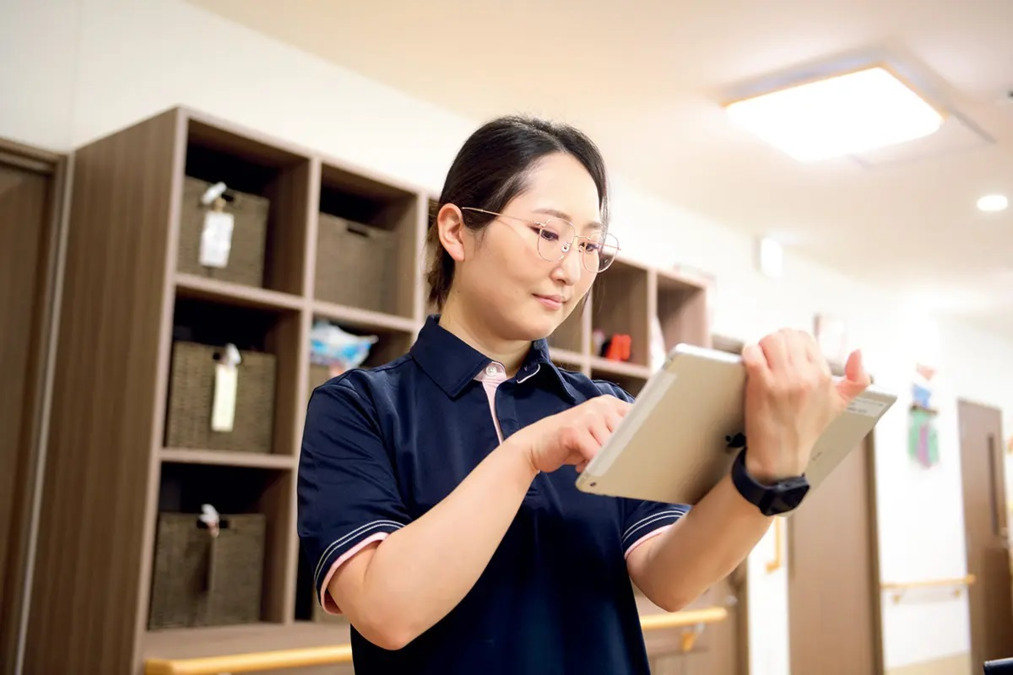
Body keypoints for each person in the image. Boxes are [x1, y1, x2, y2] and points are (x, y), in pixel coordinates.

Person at [297, 115, 871, 674]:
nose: (572, 270)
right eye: (548, 234)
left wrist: (768, 474)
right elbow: (385, 612)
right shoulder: (358, 406)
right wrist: (527, 453)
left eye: (591, 246)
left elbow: (672, 579)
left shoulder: (601, 405)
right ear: (455, 231)